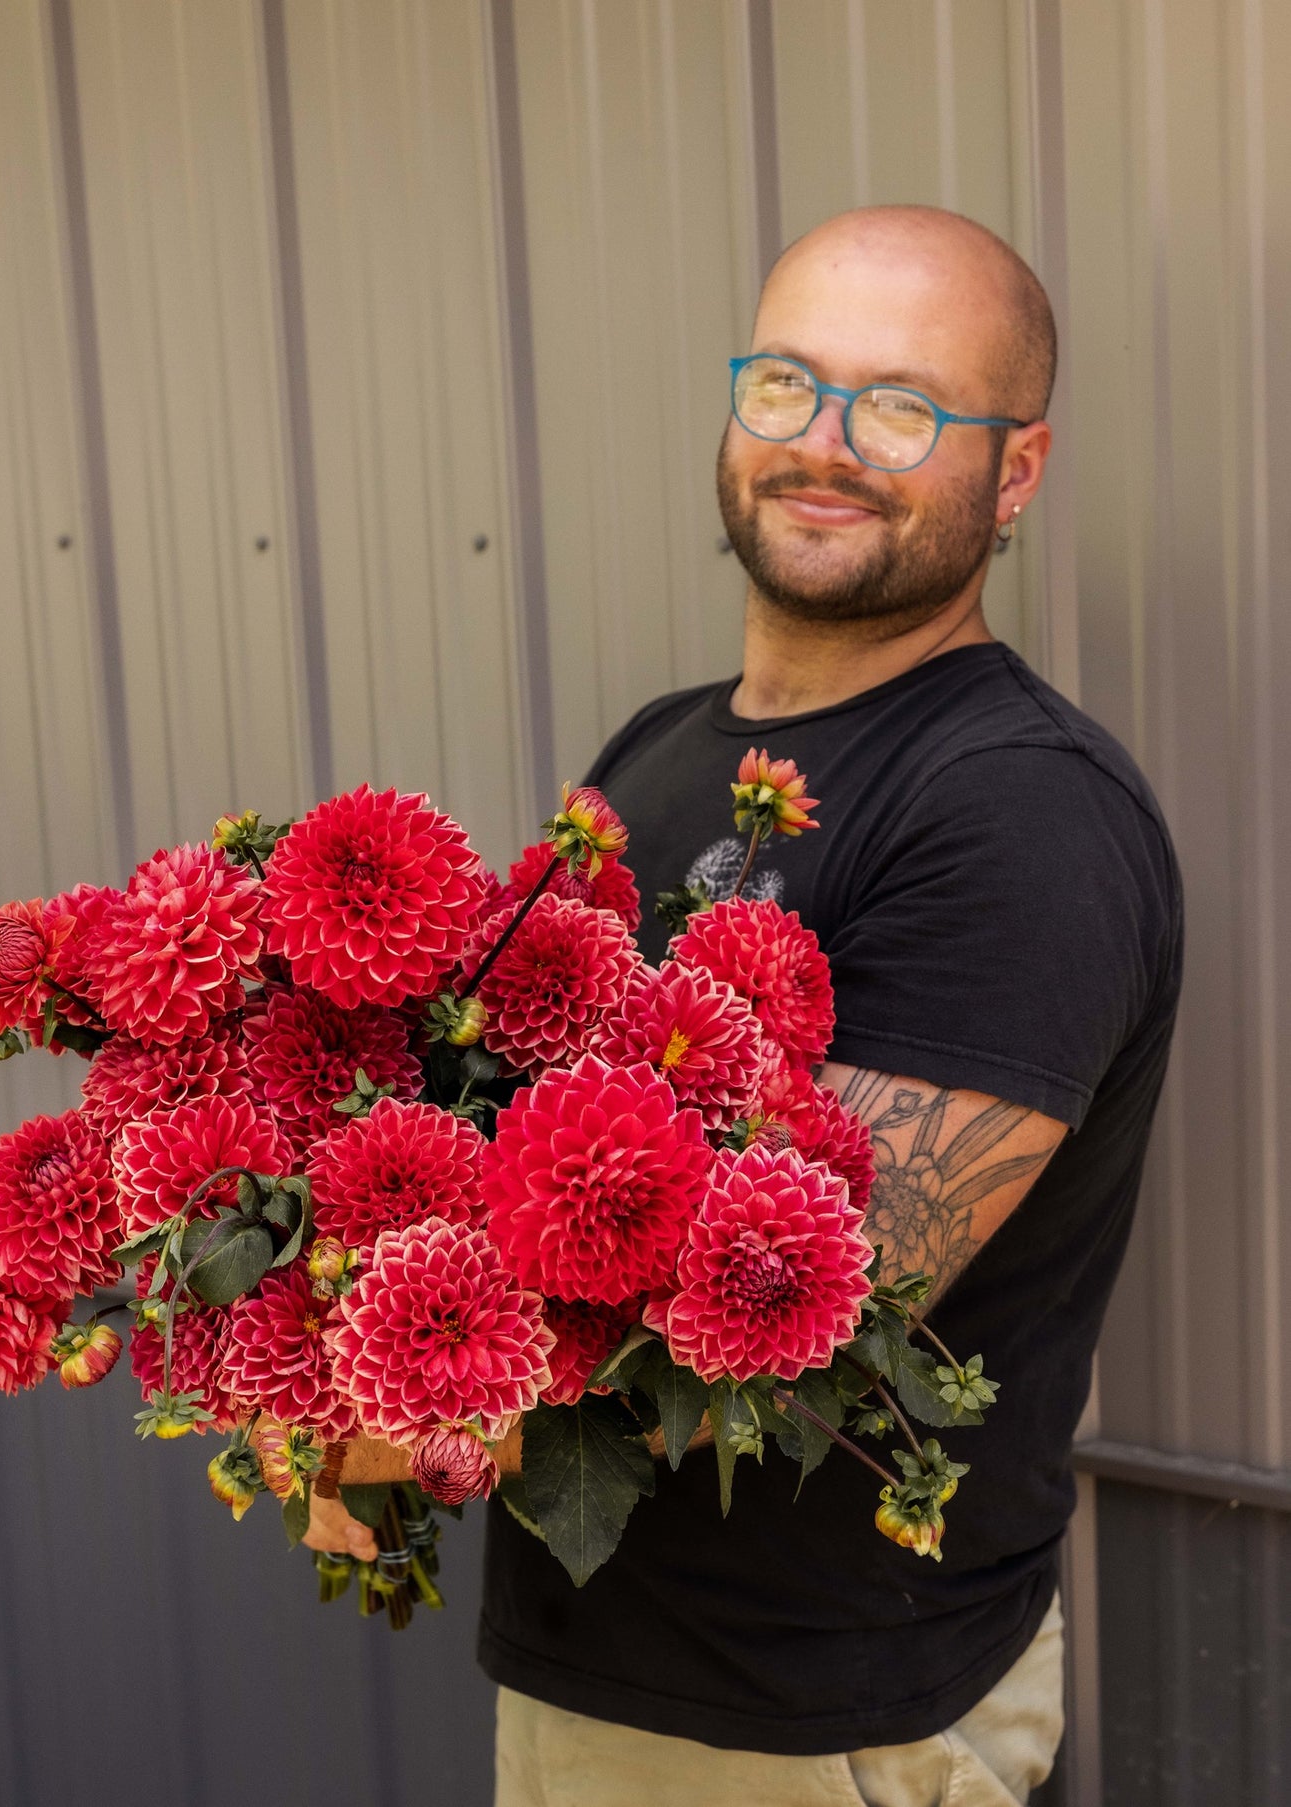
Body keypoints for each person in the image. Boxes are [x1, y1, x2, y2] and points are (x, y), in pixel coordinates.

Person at [311, 204, 1184, 1806]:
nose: (827, 443)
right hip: (608, 1666)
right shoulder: (658, 746)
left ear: (1017, 470)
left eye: (905, 406)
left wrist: (354, 1387)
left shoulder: (1016, 817)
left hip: (807, 1716)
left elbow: (778, 1321)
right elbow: (483, 1116)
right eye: (785, 383)